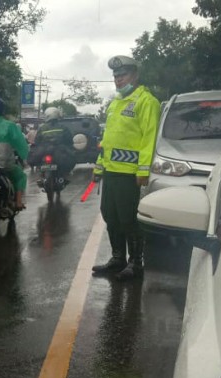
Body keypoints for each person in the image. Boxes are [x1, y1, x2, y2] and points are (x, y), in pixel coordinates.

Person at [91, 55, 160, 281]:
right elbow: (107, 142)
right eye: (116, 76)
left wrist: (143, 171)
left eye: (123, 75)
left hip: (129, 174)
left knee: (128, 218)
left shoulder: (146, 101)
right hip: (111, 171)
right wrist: (99, 167)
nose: (119, 80)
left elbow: (148, 139)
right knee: (109, 214)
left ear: (135, 76)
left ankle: (135, 262)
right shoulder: (115, 103)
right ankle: (118, 258)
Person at [29, 107, 76, 178]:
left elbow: (37, 141)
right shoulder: (63, 127)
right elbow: (69, 140)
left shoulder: (42, 128)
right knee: (70, 159)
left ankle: (41, 173)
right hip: (58, 151)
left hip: (44, 151)